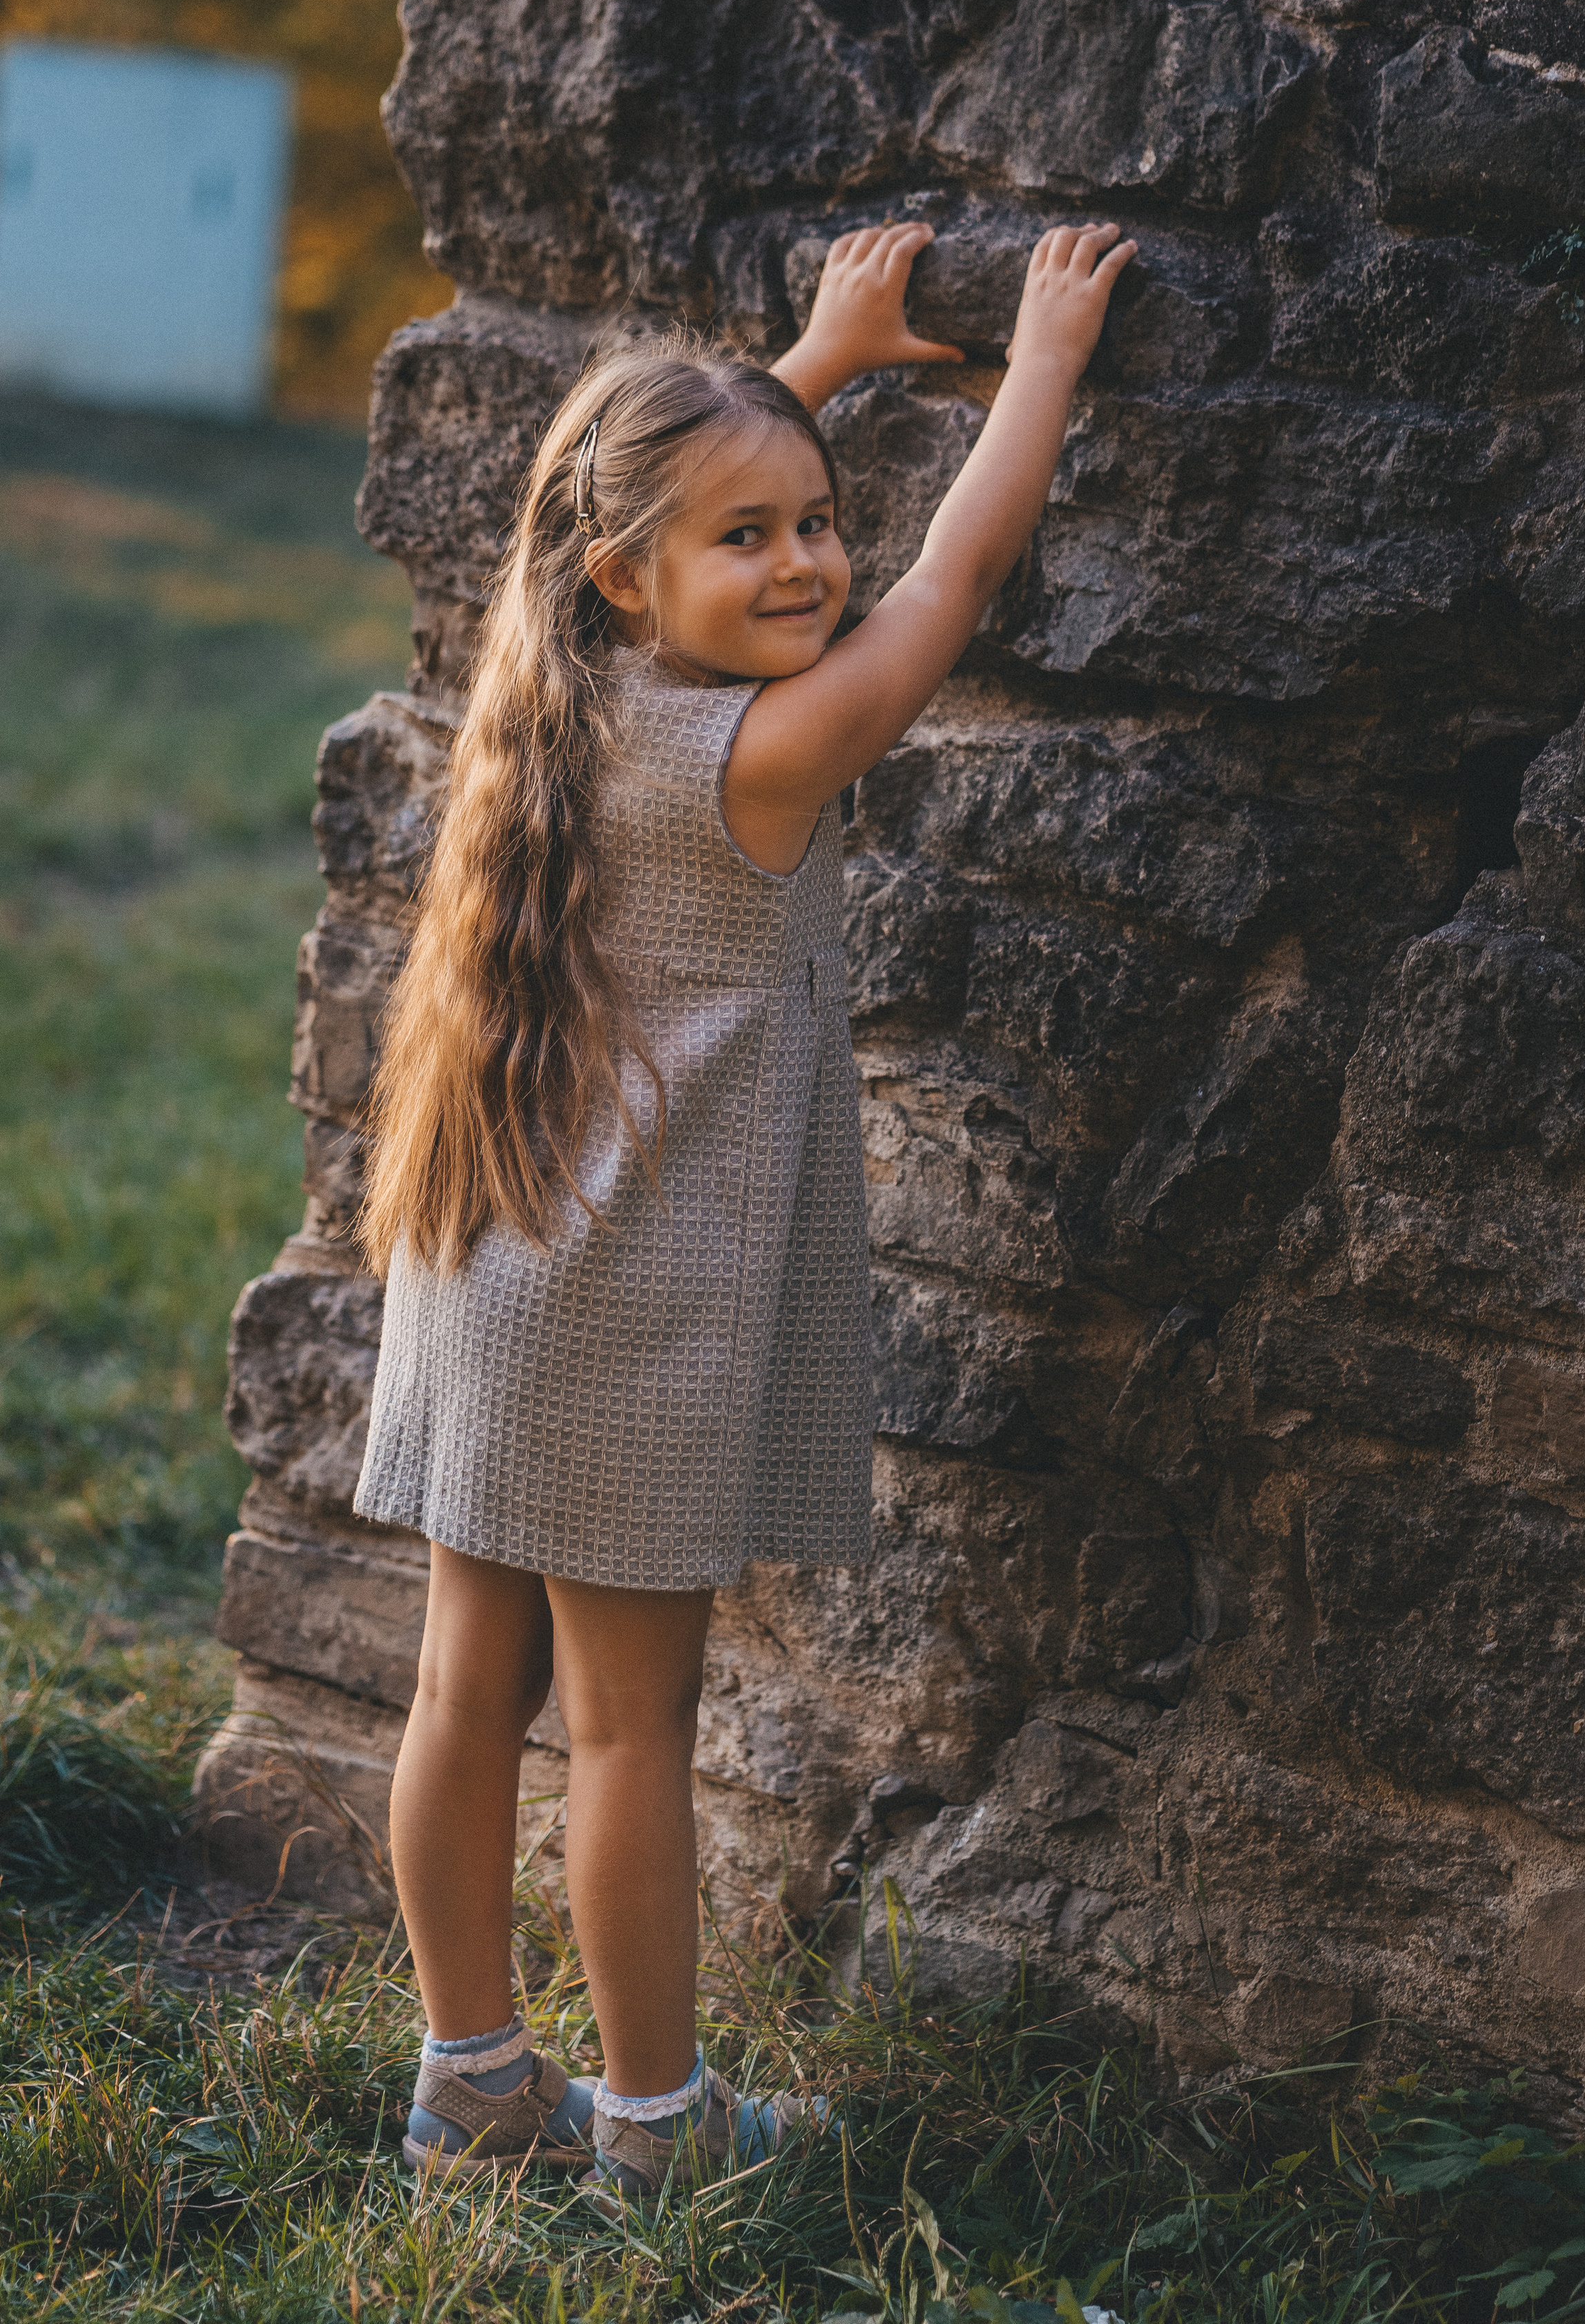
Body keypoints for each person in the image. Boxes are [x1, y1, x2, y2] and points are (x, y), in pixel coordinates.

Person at [351, 216, 1138, 2210]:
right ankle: (655, 2125)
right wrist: (1037, 351)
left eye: (816, 521)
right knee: (629, 1729)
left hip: (495, 1266)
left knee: (466, 1690)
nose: (805, 562)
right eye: (754, 540)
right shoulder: (770, 753)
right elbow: (956, 571)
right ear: (634, 574)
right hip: (628, 1316)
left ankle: (470, 2089)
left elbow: (686, 496)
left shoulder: (558, 699)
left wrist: (824, 359)